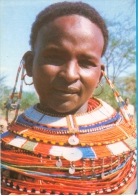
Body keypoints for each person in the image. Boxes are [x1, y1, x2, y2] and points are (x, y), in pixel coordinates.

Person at [1, 1, 136, 195]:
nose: (70, 74)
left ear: (100, 75)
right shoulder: (7, 150)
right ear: (30, 64)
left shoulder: (126, 149)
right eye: (55, 57)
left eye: (86, 62)